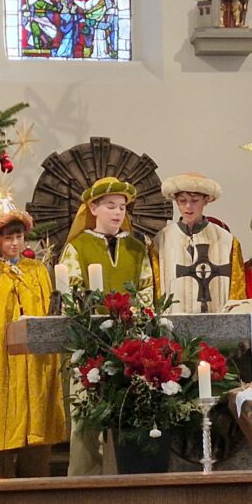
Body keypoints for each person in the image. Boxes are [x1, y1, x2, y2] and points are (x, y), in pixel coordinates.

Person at [60, 176, 153, 475]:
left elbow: (147, 291)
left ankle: (126, 479)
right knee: (86, 420)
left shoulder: (137, 248)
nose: (117, 213)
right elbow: (71, 294)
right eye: (110, 206)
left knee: (127, 414)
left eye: (122, 207)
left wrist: (136, 320)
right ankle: (83, 485)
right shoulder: (78, 247)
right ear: (93, 208)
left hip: (130, 346)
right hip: (90, 347)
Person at [0, 190, 65, 478]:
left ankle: (37, 488)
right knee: (4, 419)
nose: (14, 243)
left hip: (36, 359)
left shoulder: (36, 270)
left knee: (38, 422)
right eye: (7, 238)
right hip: (3, 360)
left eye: (18, 237)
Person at [151, 172, 245, 313]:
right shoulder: (162, 240)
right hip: (174, 323)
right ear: (176, 201)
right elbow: (156, 289)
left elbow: (236, 291)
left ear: (206, 200)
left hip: (217, 323)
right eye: (182, 201)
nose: (188, 207)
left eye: (195, 201)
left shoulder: (226, 241)